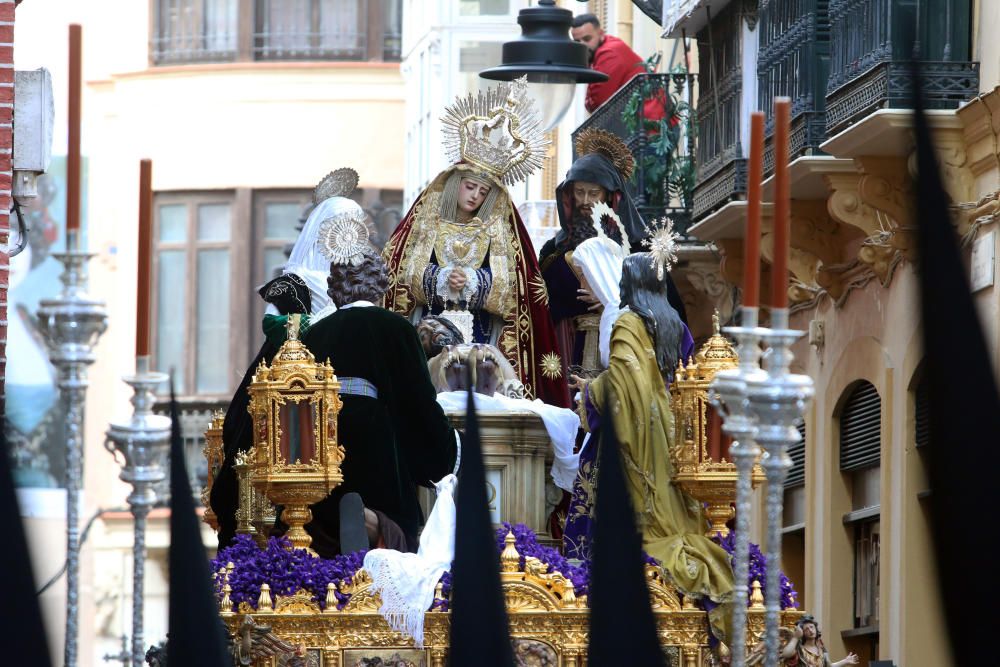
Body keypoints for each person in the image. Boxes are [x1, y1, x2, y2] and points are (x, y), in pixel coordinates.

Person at [563, 253, 732, 643]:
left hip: (632, 440)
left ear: (632, 283)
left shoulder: (628, 322)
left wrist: (589, 390)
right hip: (674, 434)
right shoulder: (677, 324)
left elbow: (626, 385)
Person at [383, 77, 569, 407]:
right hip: (432, 331)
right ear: (456, 184)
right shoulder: (429, 224)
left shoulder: (495, 230)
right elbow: (406, 276)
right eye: (470, 187)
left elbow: (511, 290)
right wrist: (439, 279)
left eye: (483, 192)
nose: (475, 196)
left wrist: (472, 281)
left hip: (482, 335)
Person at [295, 214, 461, 557]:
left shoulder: (314, 332)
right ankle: (371, 521)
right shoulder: (395, 327)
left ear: (335, 288)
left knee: (326, 520)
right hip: (376, 435)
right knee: (396, 521)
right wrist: (445, 446)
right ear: (379, 285)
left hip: (323, 438)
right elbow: (417, 398)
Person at [540, 129, 688, 370]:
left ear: (610, 197)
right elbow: (539, 309)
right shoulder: (553, 253)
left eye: (593, 193)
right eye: (579, 192)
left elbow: (665, 307)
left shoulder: (638, 249)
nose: (586, 200)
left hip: (624, 355)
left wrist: (612, 302)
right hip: (566, 356)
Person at [571, 13, 666, 117]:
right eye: (577, 41)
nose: (582, 45)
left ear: (601, 34)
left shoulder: (609, 53)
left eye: (587, 39)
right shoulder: (608, 48)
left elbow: (597, 104)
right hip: (648, 122)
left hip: (651, 125)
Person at [765, 616, 859, 667]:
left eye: (812, 627)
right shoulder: (799, 649)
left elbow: (829, 666)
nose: (810, 630)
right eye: (806, 629)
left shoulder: (821, 649)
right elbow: (786, 654)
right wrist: (795, 637)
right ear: (802, 632)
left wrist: (845, 661)